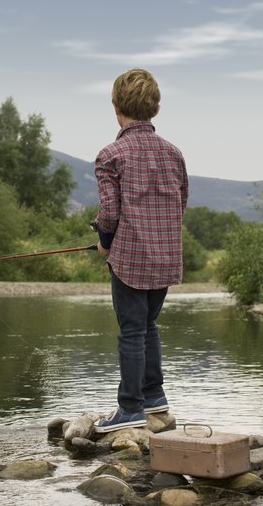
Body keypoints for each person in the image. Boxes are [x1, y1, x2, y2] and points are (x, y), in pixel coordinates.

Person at [93, 68, 188, 433]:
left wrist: (104, 240)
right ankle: (155, 396)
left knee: (132, 331)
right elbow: (181, 202)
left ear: (116, 107)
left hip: (130, 259)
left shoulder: (110, 154)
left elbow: (109, 213)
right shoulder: (173, 153)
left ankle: (130, 408)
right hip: (165, 258)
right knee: (149, 325)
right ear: (156, 108)